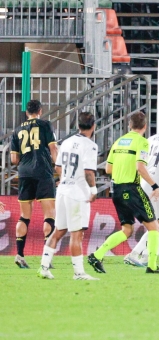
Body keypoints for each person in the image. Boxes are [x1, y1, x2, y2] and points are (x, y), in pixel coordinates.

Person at [87, 112, 159, 274]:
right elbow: (140, 168)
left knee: (127, 230)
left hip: (116, 190)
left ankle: (97, 255)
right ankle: (152, 265)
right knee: (154, 227)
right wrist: (155, 185)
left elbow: (108, 169)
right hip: (132, 188)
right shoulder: (142, 142)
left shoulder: (119, 141)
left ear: (129, 125)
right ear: (144, 126)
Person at [37, 112, 99, 280]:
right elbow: (88, 172)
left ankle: (43, 267)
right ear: (93, 126)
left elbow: (58, 167)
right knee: (76, 234)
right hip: (77, 195)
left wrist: (67, 179)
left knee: (58, 231)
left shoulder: (66, 142)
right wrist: (93, 190)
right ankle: (78, 273)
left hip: (63, 191)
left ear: (77, 125)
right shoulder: (91, 146)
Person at [123, 111, 159, 267]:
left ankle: (144, 257)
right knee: (158, 226)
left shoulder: (150, 139)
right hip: (155, 186)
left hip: (143, 181)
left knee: (153, 224)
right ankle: (135, 254)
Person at [10, 99, 58, 269]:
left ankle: (19, 255)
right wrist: (58, 168)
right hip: (43, 172)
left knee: (24, 216)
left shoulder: (17, 131)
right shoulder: (45, 125)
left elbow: (14, 158)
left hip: (24, 174)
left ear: (26, 112)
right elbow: (53, 148)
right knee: (50, 215)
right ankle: (46, 258)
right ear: (40, 110)